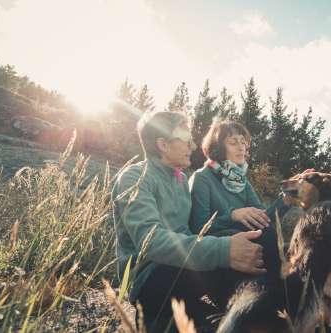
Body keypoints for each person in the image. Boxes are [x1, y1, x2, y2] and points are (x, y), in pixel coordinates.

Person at [111, 112, 266, 333]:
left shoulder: (181, 179)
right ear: (163, 144)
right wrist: (225, 249)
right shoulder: (134, 177)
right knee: (225, 258)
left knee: (247, 267)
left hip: (183, 271)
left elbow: (192, 232)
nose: (193, 146)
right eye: (186, 140)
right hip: (151, 277)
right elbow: (152, 242)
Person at [188, 121, 291, 305]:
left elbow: (263, 217)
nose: (241, 147)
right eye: (233, 142)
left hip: (251, 246)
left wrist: (288, 196)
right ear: (218, 147)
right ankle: (282, 301)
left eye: (243, 142)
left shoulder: (241, 181)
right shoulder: (202, 178)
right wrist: (233, 214)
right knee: (266, 237)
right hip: (224, 256)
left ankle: (284, 302)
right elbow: (198, 228)